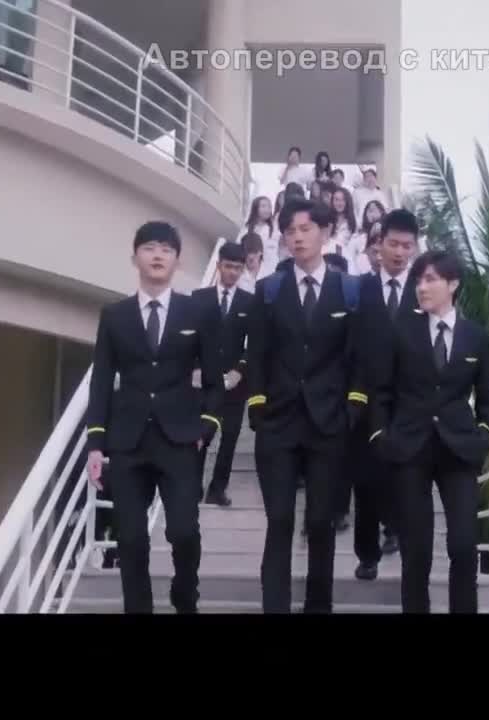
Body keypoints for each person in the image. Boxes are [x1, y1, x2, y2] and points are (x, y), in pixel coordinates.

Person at [82, 221, 224, 614]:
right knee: (130, 539)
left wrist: (207, 428)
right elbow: (101, 382)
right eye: (149, 248)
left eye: (165, 248)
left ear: (177, 260)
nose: (157, 255)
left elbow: (215, 381)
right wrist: (96, 444)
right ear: (135, 258)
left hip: (180, 439)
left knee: (184, 531)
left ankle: (185, 594)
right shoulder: (115, 316)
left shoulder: (197, 312)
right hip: (127, 441)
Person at [245, 197, 370, 613]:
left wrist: (353, 405)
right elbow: (257, 354)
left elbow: (360, 357)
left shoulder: (350, 290)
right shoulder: (268, 290)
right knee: (280, 521)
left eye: (305, 229)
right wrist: (257, 404)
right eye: (289, 231)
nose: (296, 237)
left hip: (329, 423)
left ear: (326, 232)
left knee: (320, 522)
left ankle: (319, 606)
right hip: (278, 422)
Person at [368, 249, 489, 614]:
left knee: (464, 545)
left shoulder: (476, 337)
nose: (421, 287)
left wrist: (484, 436)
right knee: (416, 550)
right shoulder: (401, 330)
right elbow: (381, 391)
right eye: (418, 280)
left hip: (459, 451)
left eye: (430, 280)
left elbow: (488, 400)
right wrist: (380, 436)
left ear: (452, 284)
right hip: (409, 449)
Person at [345, 209, 421, 580]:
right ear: (379, 245)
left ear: (415, 248)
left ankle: (396, 529)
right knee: (365, 482)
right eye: (393, 244)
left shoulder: (425, 290)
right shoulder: (360, 289)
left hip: (408, 403)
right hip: (366, 400)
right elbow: (349, 345)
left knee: (403, 477)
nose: (399, 252)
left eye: (407, 246)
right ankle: (367, 554)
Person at [193, 243, 253, 507]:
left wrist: (240, 369)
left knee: (229, 438)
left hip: (235, 382)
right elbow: (190, 338)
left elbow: (255, 343)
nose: (232, 272)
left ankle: (218, 489)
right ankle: (194, 486)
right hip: (204, 380)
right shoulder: (199, 298)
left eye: (238, 268)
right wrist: (195, 367)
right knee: (200, 435)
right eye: (228, 266)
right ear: (218, 266)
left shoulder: (249, 302)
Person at [239, 196, 277, 278]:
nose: (267, 209)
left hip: (268, 269)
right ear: (255, 208)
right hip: (247, 269)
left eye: (269, 207)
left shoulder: (274, 229)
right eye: (263, 206)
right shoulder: (246, 228)